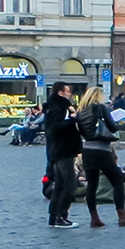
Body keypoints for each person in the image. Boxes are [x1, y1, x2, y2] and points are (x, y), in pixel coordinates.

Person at [77, 87, 125, 228]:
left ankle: (94, 218)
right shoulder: (100, 108)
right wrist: (119, 123)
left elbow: (81, 131)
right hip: (102, 150)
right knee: (117, 179)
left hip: (87, 150)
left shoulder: (81, 111)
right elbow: (112, 127)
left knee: (92, 184)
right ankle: (122, 216)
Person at [44, 81, 83, 228]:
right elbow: (55, 128)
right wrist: (72, 119)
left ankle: (54, 217)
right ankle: (61, 216)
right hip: (62, 150)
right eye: (68, 91)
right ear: (61, 93)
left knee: (60, 184)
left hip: (58, 150)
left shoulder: (56, 107)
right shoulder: (58, 108)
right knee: (69, 184)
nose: (70, 94)